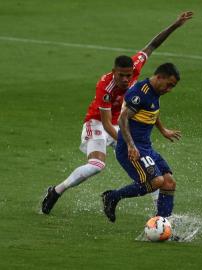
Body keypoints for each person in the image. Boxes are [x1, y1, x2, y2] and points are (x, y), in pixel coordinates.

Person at [41, 11, 193, 215]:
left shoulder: (136, 67)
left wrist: (175, 24)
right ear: (114, 72)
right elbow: (105, 123)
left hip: (121, 123)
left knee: (151, 171)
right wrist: (128, 143)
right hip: (98, 123)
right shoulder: (106, 87)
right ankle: (57, 191)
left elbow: (153, 44)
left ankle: (160, 218)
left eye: (128, 76)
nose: (124, 79)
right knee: (96, 165)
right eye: (121, 76)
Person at [102, 62, 182, 222]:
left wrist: (163, 129)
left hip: (145, 147)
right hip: (130, 149)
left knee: (169, 182)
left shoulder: (154, 91)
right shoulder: (140, 92)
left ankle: (162, 223)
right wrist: (131, 146)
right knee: (156, 181)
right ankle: (112, 197)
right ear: (160, 77)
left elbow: (152, 111)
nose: (169, 90)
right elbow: (123, 118)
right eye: (169, 85)